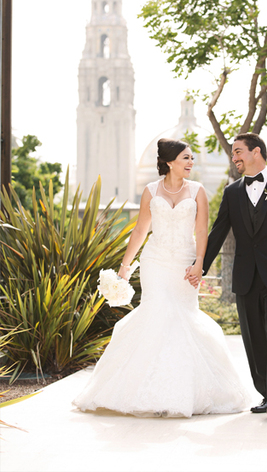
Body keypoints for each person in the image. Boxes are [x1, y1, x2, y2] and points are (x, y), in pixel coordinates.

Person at [74, 138, 252, 417]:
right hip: (154, 261)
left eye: (192, 158)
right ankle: (144, 391)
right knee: (156, 315)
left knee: (182, 318)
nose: (191, 163)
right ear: (170, 162)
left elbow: (202, 232)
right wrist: (124, 266)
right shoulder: (150, 190)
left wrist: (199, 265)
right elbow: (140, 230)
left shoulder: (198, 191)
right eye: (186, 158)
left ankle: (182, 391)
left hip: (184, 264)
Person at [187, 133, 267, 417]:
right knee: (253, 337)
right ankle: (264, 393)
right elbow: (218, 231)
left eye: (238, 152)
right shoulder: (232, 192)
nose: (234, 158)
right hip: (246, 277)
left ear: (255, 151)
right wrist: (201, 266)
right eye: (233, 154)